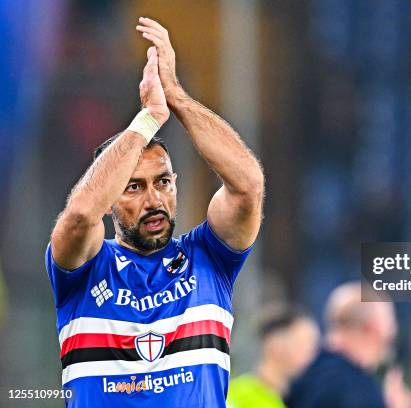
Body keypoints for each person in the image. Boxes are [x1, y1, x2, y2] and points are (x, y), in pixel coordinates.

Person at [45, 17, 264, 408]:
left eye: (163, 182)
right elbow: (79, 217)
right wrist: (147, 120)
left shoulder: (208, 258)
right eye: (134, 186)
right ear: (110, 199)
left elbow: (248, 187)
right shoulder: (85, 269)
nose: (153, 199)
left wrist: (175, 97)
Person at [285, 282, 411, 408]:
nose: (394, 333)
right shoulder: (360, 390)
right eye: (390, 326)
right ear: (373, 329)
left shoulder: (300, 373)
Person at [227, 305, 320, 408]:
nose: (313, 354)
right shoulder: (234, 396)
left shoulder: (289, 397)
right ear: (276, 346)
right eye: (304, 344)